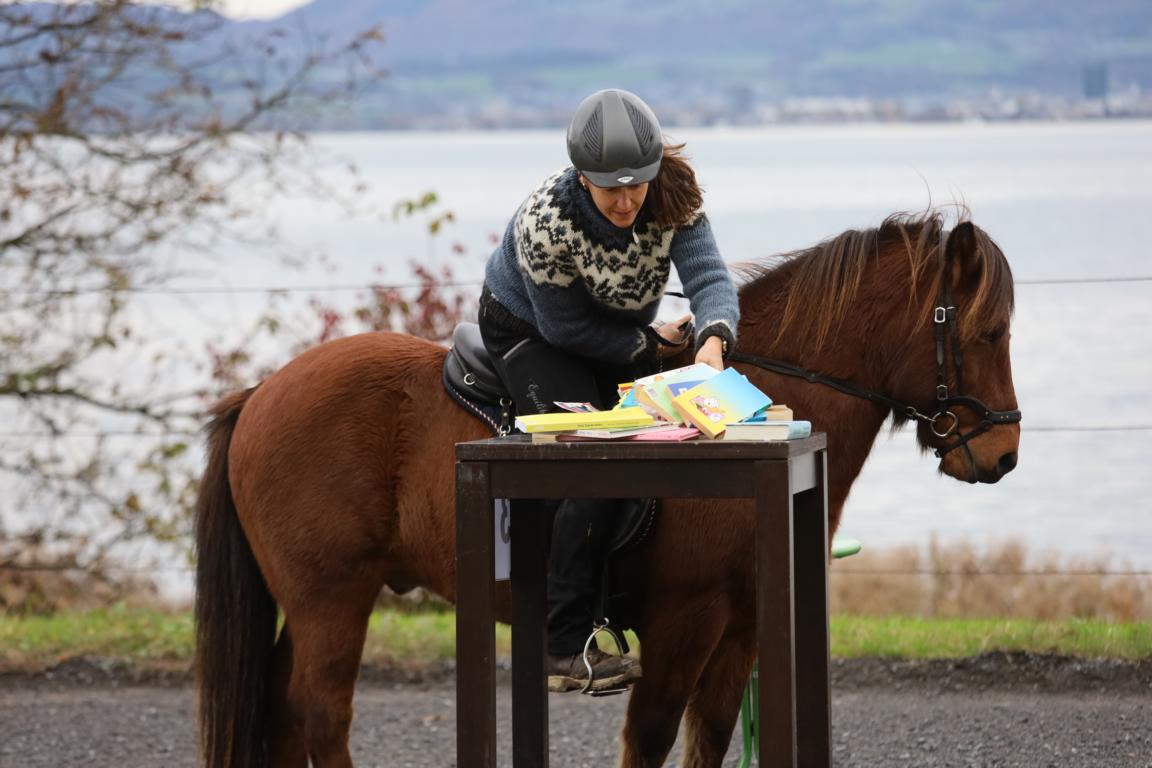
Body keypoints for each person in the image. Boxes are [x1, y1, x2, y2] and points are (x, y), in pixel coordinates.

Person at [478, 88, 739, 692]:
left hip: (614, 328)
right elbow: (565, 330)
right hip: (530, 333)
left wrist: (712, 341)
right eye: (609, 190)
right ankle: (561, 649)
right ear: (582, 178)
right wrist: (648, 344)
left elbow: (709, 278)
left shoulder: (674, 195)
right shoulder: (547, 219)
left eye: (636, 187)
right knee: (594, 456)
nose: (625, 202)